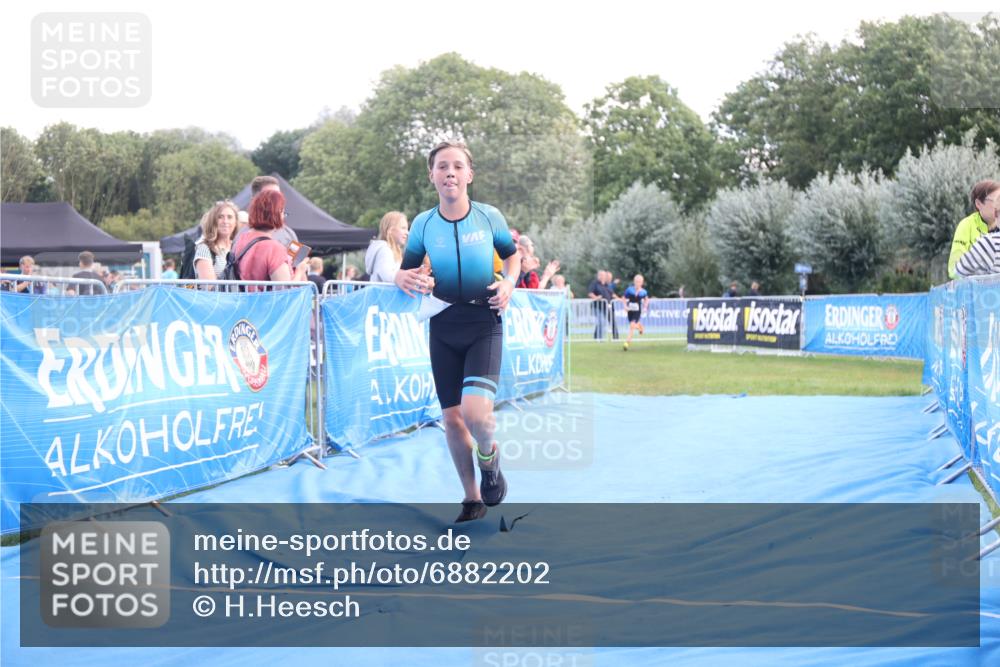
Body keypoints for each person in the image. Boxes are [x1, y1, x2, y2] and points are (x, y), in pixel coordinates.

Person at [394, 140, 519, 523]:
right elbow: (408, 269)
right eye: (442, 166)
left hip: (484, 323)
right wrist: (403, 276)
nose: (450, 172)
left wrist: (509, 283)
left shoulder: (489, 217)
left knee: (476, 414)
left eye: (457, 166)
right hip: (444, 325)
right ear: (431, 176)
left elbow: (511, 256)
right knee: (451, 419)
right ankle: (471, 498)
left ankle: (489, 457)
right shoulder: (423, 224)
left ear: (469, 175)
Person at [233, 189, 308, 287]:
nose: (283, 217)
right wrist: (300, 271)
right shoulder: (274, 248)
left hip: (244, 300)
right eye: (282, 212)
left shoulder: (242, 239)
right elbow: (286, 291)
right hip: (266, 301)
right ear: (276, 214)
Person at [948, 180, 1000, 279]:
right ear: (978, 204)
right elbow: (954, 269)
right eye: (996, 200)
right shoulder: (966, 225)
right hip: (975, 289)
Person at [234, 176, 299, 249]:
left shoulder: (289, 234)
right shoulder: (243, 237)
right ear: (254, 200)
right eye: (270, 196)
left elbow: (296, 259)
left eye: (278, 195)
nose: (276, 199)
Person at [194, 201, 238, 280]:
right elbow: (209, 288)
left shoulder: (239, 247)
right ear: (213, 221)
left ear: (235, 222)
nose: (225, 221)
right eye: (220, 217)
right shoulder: (204, 249)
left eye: (230, 217)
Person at [365, 211, 409, 283]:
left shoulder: (391, 250)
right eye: (403, 228)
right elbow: (388, 277)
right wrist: (411, 277)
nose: (407, 232)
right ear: (390, 230)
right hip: (382, 293)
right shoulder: (384, 250)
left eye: (407, 229)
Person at [622, 274, 649, 351]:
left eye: (639, 282)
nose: (638, 283)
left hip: (637, 311)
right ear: (634, 282)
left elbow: (647, 299)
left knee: (632, 326)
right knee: (632, 325)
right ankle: (640, 327)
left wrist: (645, 307)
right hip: (630, 310)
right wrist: (625, 306)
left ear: (642, 283)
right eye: (636, 281)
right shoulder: (629, 290)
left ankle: (627, 342)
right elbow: (624, 298)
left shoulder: (643, 292)